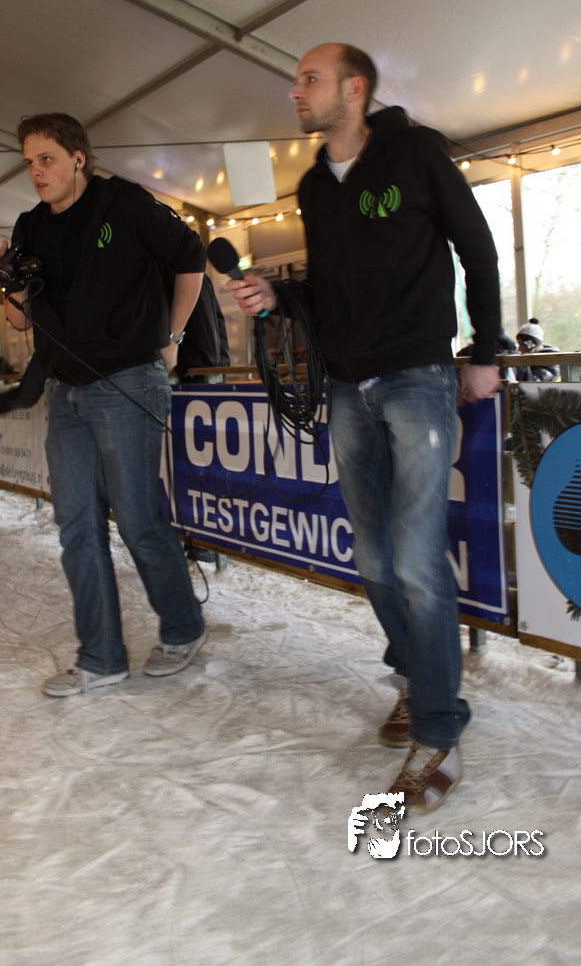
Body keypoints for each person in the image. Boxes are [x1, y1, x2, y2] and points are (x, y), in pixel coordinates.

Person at [228, 43, 501, 813]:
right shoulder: (313, 185)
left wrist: (485, 351)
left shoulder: (417, 153)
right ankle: (418, 678)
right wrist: (277, 298)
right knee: (376, 561)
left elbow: (477, 249)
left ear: (355, 89)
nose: (295, 91)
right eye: (296, 80)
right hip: (348, 389)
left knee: (416, 561)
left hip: (417, 378)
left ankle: (439, 732)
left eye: (309, 79)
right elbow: (327, 289)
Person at [0, 112, 207, 696]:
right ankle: (101, 657)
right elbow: (20, 320)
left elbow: (191, 256)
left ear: (78, 158)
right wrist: (9, 286)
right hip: (64, 391)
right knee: (76, 526)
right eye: (29, 162)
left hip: (127, 382)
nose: (37, 172)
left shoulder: (124, 204)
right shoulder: (29, 225)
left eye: (46, 159)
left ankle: (183, 628)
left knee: (138, 520)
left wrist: (173, 336)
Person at [514, 318, 559, 382]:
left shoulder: (548, 365)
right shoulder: (531, 362)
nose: (519, 349)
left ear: (531, 345)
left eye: (522, 345)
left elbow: (533, 383)